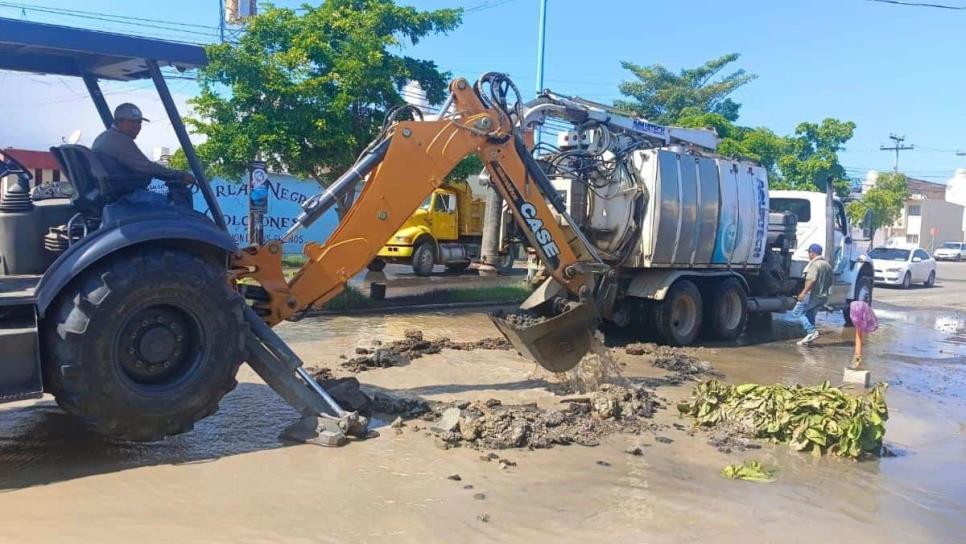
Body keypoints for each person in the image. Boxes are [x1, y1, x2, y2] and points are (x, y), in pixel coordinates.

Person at [91, 103, 194, 206]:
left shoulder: (104, 137)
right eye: (132, 122)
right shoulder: (119, 140)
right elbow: (147, 167)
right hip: (125, 197)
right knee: (174, 206)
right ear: (119, 121)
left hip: (116, 195)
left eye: (139, 122)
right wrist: (179, 176)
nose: (137, 126)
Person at [793, 243, 833, 346]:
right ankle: (810, 338)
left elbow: (812, 279)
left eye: (809, 253)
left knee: (797, 312)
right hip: (823, 296)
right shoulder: (827, 265)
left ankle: (811, 331)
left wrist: (803, 293)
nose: (808, 255)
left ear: (813, 253)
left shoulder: (814, 264)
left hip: (813, 295)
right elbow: (830, 282)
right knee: (810, 313)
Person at [849, 300, 878, 368]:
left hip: (861, 313)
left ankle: (857, 360)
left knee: (859, 336)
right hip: (861, 313)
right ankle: (857, 359)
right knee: (859, 336)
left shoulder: (860, 318)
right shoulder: (859, 319)